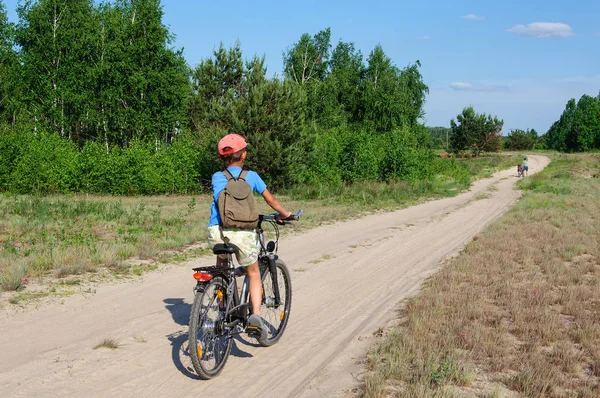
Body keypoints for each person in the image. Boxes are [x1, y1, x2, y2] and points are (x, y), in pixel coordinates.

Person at [208, 133, 292, 341]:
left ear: (223, 158)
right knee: (253, 272)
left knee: (223, 267)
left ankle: (222, 304)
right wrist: (285, 214)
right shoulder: (252, 176)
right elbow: (270, 200)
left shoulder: (217, 177)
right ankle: (256, 316)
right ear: (243, 155)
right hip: (243, 232)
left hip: (217, 230)